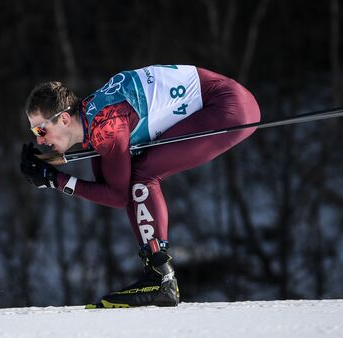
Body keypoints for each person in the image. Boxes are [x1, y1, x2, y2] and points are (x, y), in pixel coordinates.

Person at [20, 65, 261, 308]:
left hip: (227, 107)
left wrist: (55, 180)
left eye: (41, 129)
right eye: (34, 132)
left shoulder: (107, 125)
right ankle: (158, 274)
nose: (39, 139)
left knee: (141, 174)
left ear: (63, 118)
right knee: (136, 172)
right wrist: (53, 177)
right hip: (227, 99)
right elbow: (106, 183)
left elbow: (117, 196)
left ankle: (161, 278)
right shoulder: (93, 120)